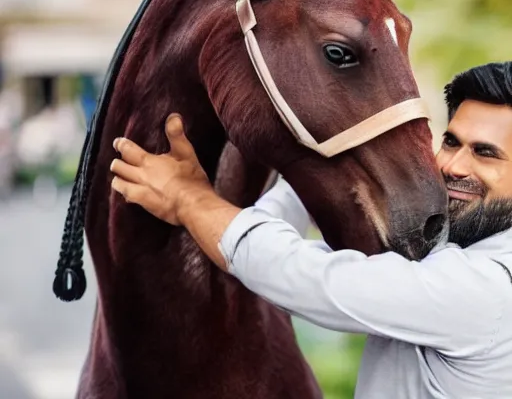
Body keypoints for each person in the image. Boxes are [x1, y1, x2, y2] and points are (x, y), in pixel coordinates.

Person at [110, 62, 512, 398]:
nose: (454, 166)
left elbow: (305, 277)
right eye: (451, 142)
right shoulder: (462, 242)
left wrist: (189, 199)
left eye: (485, 153)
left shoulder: (486, 290)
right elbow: (268, 253)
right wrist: (308, 176)